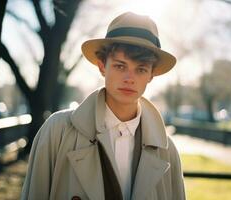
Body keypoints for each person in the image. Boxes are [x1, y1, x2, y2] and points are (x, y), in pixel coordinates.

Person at [21, 12, 186, 200]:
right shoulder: (57, 130)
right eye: (120, 66)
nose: (129, 79)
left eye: (140, 69)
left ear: (151, 75)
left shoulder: (167, 151)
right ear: (102, 67)